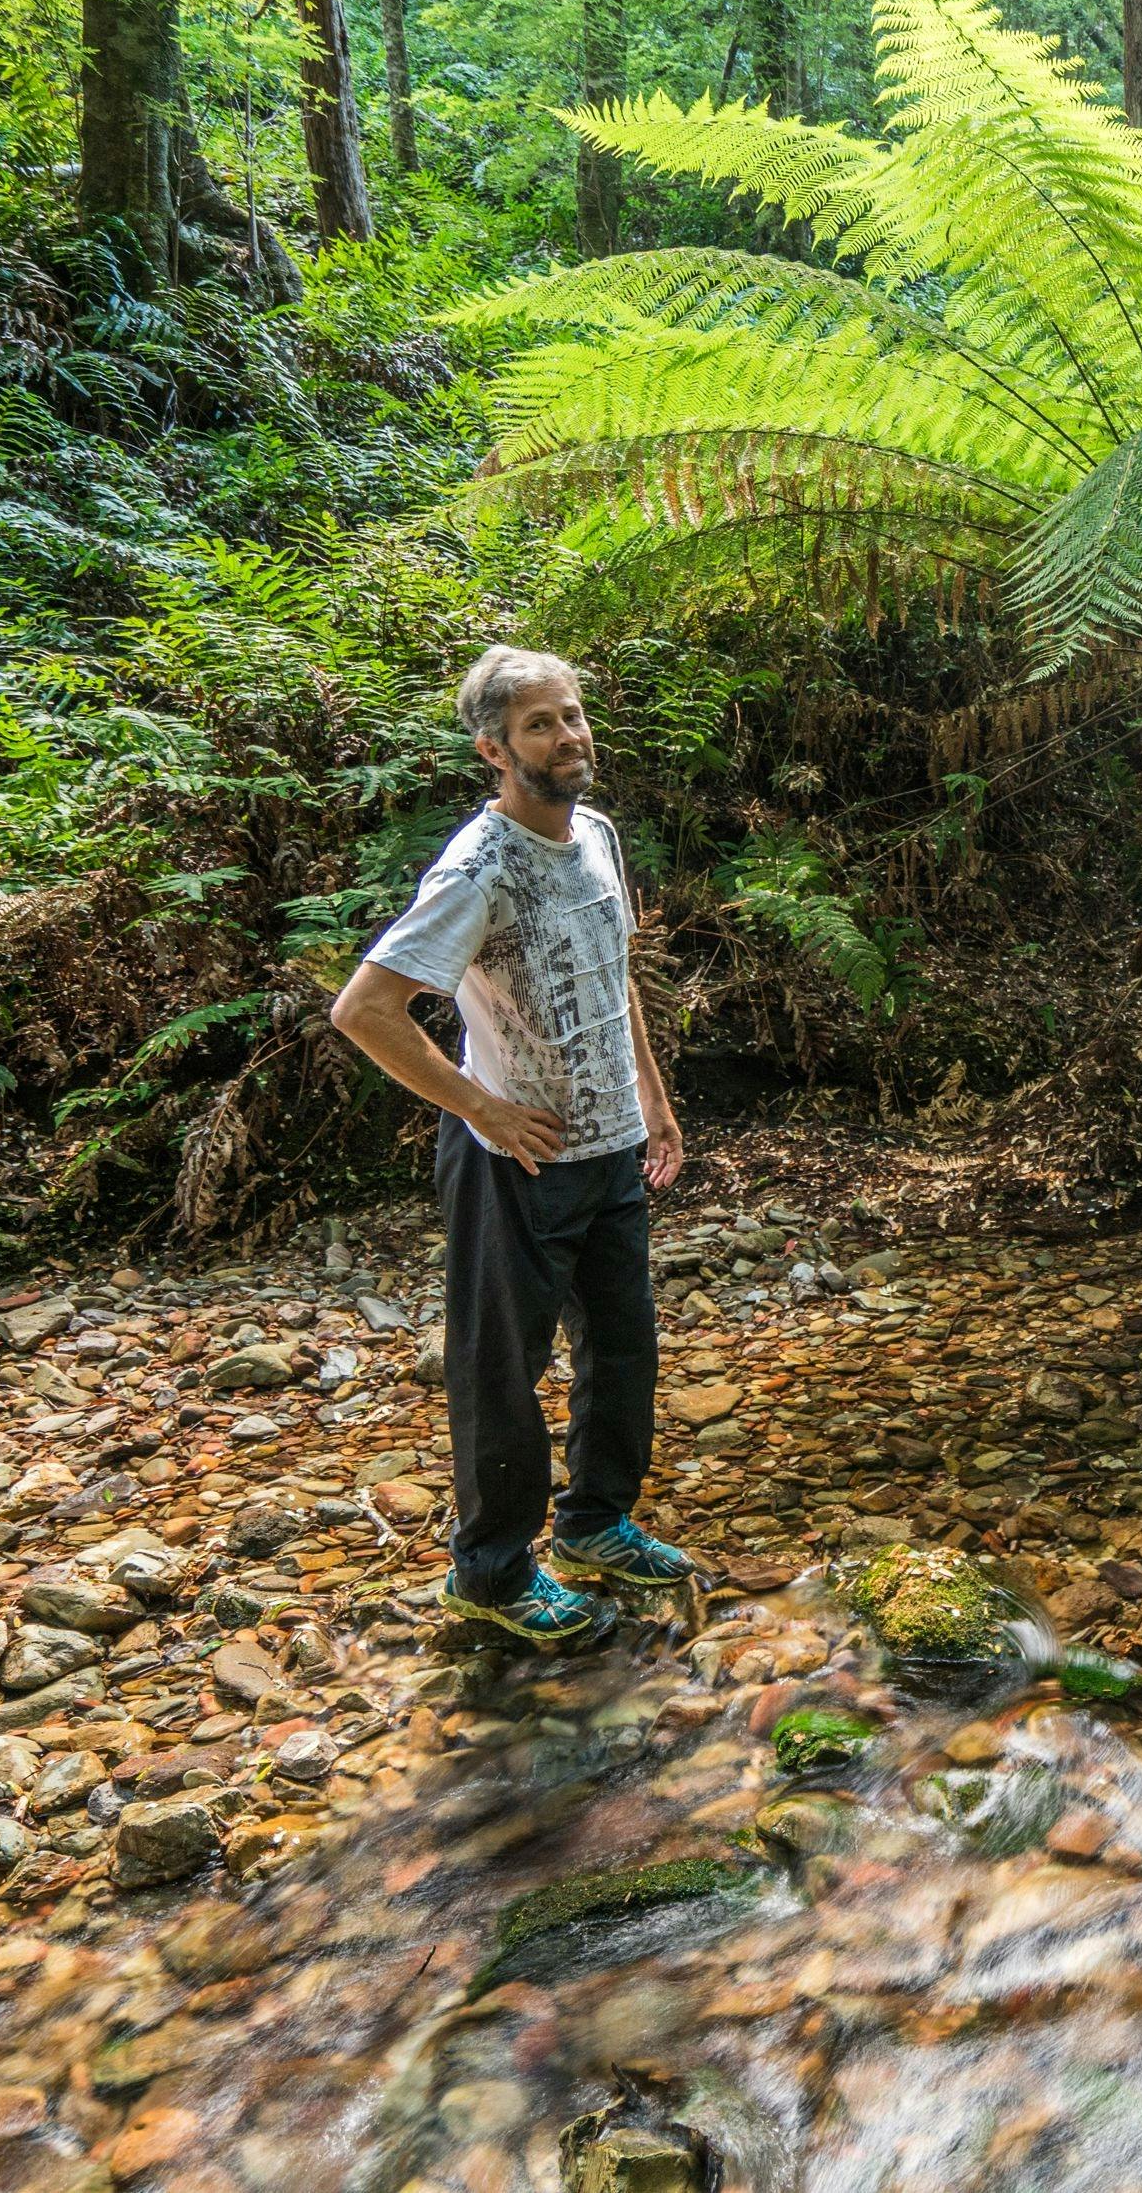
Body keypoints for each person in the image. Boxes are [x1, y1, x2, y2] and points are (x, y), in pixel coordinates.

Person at [331, 645, 698, 1645]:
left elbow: (613, 974)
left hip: (610, 1147)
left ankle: (594, 1526)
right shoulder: (477, 868)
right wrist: (480, 1110)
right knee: (503, 1373)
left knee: (622, 1355)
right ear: (494, 748)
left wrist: (653, 1104)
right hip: (516, 1161)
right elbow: (366, 1009)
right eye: (540, 724)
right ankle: (491, 1575)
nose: (567, 736)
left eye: (573, 715)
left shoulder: (596, 837)